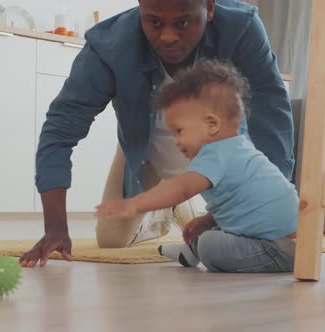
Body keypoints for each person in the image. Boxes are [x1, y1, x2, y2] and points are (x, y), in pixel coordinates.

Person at [19, 0, 294, 268]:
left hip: (221, 147)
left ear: (209, 8)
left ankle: (174, 202)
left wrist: (268, 207)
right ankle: (163, 212)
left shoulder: (241, 27)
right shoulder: (109, 46)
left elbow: (272, 114)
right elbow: (60, 129)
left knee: (238, 227)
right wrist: (55, 227)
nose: (168, 36)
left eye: (183, 23)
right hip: (143, 147)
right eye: (154, 21)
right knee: (110, 239)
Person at [96, 59, 298, 272]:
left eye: (179, 131)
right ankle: (189, 252)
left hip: (274, 249)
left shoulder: (215, 154)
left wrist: (135, 204)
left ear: (212, 124)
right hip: (285, 242)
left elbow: (181, 188)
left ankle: (197, 250)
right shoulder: (240, 148)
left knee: (210, 245)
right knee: (210, 232)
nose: (175, 141)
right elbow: (244, 205)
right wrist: (208, 219)